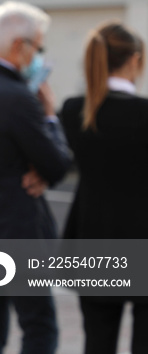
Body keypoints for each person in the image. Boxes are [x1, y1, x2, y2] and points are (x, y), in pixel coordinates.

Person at [0, 1, 71, 354]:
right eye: (39, 46)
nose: (40, 56)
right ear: (20, 46)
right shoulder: (18, 97)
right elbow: (57, 165)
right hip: (17, 234)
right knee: (39, 327)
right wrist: (50, 115)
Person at [60, 22, 148, 354]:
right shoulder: (143, 114)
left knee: (97, 343)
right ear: (135, 60)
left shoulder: (74, 111)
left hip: (93, 242)